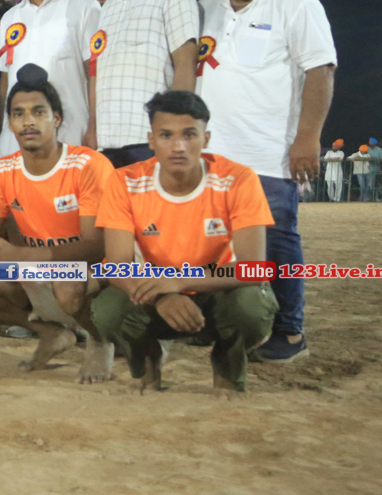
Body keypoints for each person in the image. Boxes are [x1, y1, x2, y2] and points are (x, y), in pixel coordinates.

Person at [197, 0, 338, 363]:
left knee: (276, 242)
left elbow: (320, 69)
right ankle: (216, 322)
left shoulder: (294, 0)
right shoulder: (205, 8)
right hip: (211, 157)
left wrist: (307, 138)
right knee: (213, 243)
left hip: (268, 155)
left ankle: (289, 333)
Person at [92, 91, 277, 395]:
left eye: (189, 135)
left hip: (218, 293)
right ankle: (148, 361)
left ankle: (227, 367)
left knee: (251, 307)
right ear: (151, 140)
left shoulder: (239, 179)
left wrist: (178, 281)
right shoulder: (125, 181)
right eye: (166, 135)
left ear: (206, 139)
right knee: (108, 310)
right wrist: (162, 296)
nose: (178, 146)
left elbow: (254, 269)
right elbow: (117, 266)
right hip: (156, 292)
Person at [0, 65, 115, 382]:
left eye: (38, 112)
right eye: (19, 114)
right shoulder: (1, 170)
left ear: (56, 119)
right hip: (37, 268)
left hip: (97, 270)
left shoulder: (88, 164)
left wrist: (19, 255)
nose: (28, 121)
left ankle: (99, 340)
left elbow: (95, 247)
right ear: (10, 123)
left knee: (67, 285)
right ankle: (50, 333)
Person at [92, 0, 199, 168]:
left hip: (149, 138)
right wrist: (94, 129)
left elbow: (185, 64)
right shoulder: (108, 8)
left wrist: (176, 132)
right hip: (107, 141)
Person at [0, 0, 100, 158]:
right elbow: (5, 78)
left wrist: (93, 126)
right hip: (16, 137)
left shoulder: (84, 6)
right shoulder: (11, 17)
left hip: (71, 131)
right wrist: (2, 130)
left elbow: (94, 71)